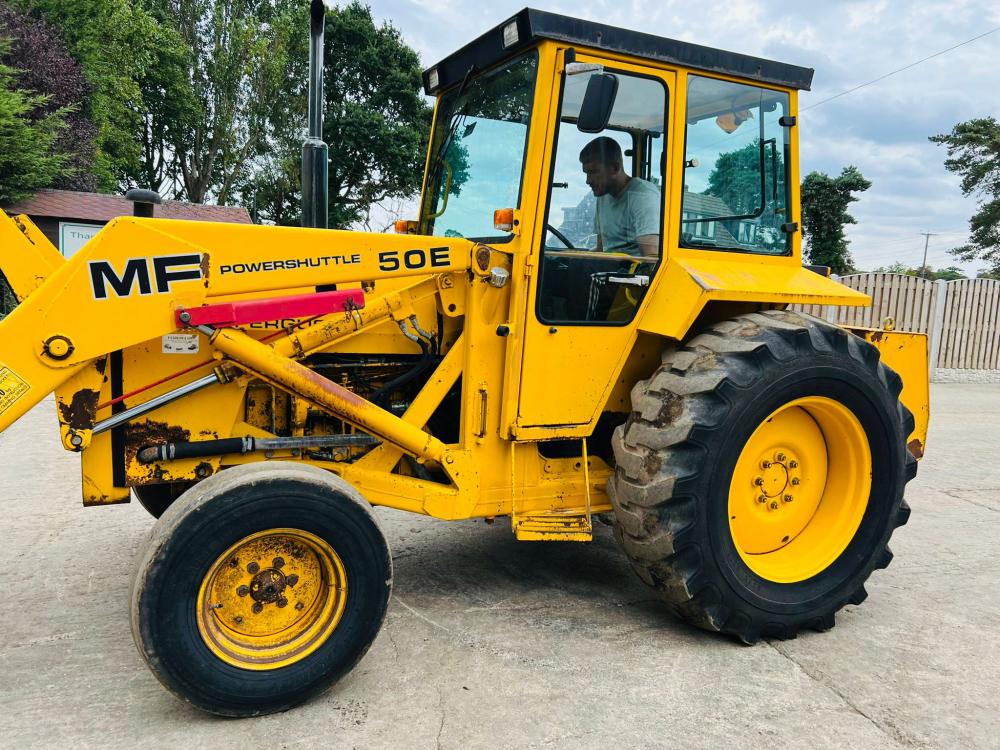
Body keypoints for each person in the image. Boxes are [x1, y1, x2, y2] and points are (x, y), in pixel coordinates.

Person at [579, 137, 660, 258]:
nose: (588, 180)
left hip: (630, 272)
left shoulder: (643, 196)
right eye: (586, 173)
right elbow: (601, 249)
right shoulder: (603, 195)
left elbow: (651, 256)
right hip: (608, 268)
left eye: (594, 172)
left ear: (615, 168)